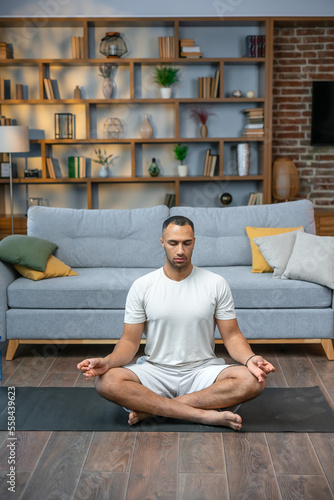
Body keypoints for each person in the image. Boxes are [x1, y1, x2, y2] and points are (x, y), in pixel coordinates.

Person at [77, 215, 275, 430]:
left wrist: (251, 359)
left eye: (186, 243)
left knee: (253, 381)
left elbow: (232, 336)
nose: (180, 250)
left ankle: (153, 409)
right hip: (156, 371)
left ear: (194, 243)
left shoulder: (216, 283)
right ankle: (202, 415)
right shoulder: (142, 286)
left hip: (202, 371)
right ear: (162, 243)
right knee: (106, 381)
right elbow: (129, 342)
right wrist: (108, 362)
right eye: (173, 243)